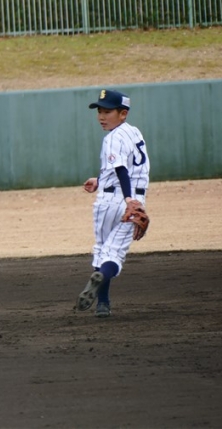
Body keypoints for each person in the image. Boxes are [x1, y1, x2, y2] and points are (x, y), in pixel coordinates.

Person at [75, 89, 150, 318]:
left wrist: (127, 199)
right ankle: (103, 298)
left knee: (102, 250)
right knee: (114, 254)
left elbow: (121, 169)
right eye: (99, 111)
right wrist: (100, 181)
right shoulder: (134, 133)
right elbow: (127, 169)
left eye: (107, 112)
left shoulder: (112, 138)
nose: (101, 117)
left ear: (123, 113)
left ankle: (103, 303)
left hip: (113, 202)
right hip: (135, 200)